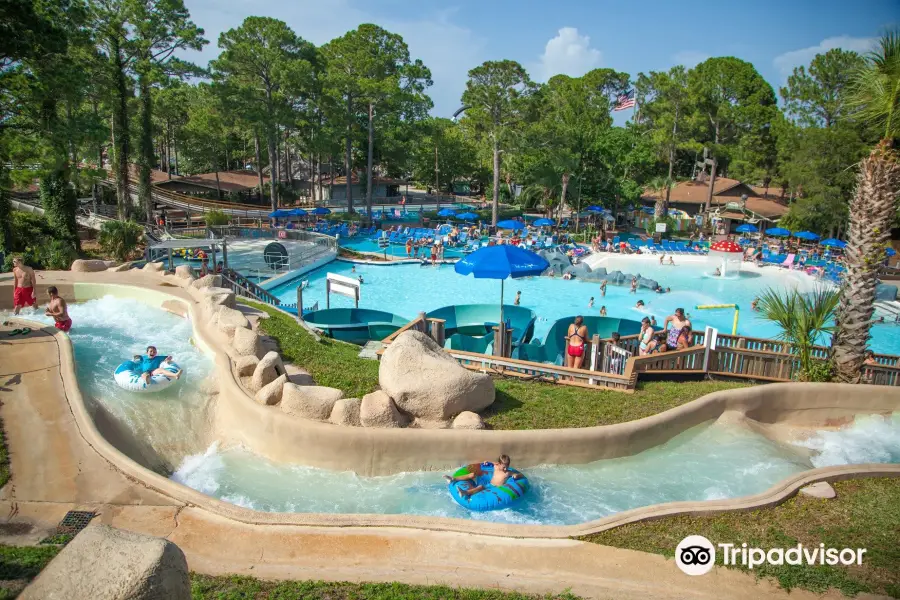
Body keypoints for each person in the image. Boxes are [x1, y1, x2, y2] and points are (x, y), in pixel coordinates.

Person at [443, 455, 523, 497]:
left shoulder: (508, 473)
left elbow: (521, 475)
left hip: (495, 488)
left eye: (507, 466)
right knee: (473, 474)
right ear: (499, 464)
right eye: (504, 466)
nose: (505, 468)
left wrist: (516, 475)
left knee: (481, 487)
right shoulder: (496, 466)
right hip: (489, 483)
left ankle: (465, 492)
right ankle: (453, 479)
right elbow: (492, 463)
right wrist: (487, 462)